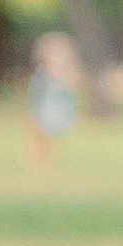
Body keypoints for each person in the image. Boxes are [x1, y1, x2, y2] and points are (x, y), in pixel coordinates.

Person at [26, 28, 81, 162]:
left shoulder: (67, 75)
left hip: (59, 115)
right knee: (31, 123)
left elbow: (71, 93)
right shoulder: (41, 75)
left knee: (40, 128)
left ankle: (45, 154)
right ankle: (40, 154)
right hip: (44, 113)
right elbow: (35, 96)